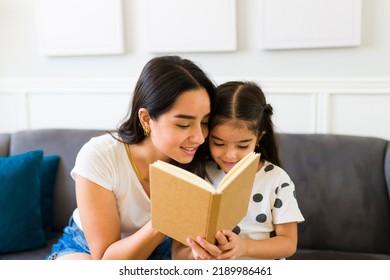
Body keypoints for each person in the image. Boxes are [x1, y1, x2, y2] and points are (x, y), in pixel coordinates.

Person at [46, 55, 216, 260]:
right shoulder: (100, 155)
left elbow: (182, 249)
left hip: (161, 250)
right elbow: (106, 260)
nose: (199, 137)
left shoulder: (201, 157)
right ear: (146, 119)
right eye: (183, 124)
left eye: (205, 122)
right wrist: (165, 219)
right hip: (89, 250)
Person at [172, 81, 304, 260]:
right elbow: (179, 248)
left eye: (243, 145)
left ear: (258, 138)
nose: (230, 155)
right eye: (218, 143)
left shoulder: (277, 180)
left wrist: (245, 247)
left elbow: (288, 244)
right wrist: (195, 253)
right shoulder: (199, 174)